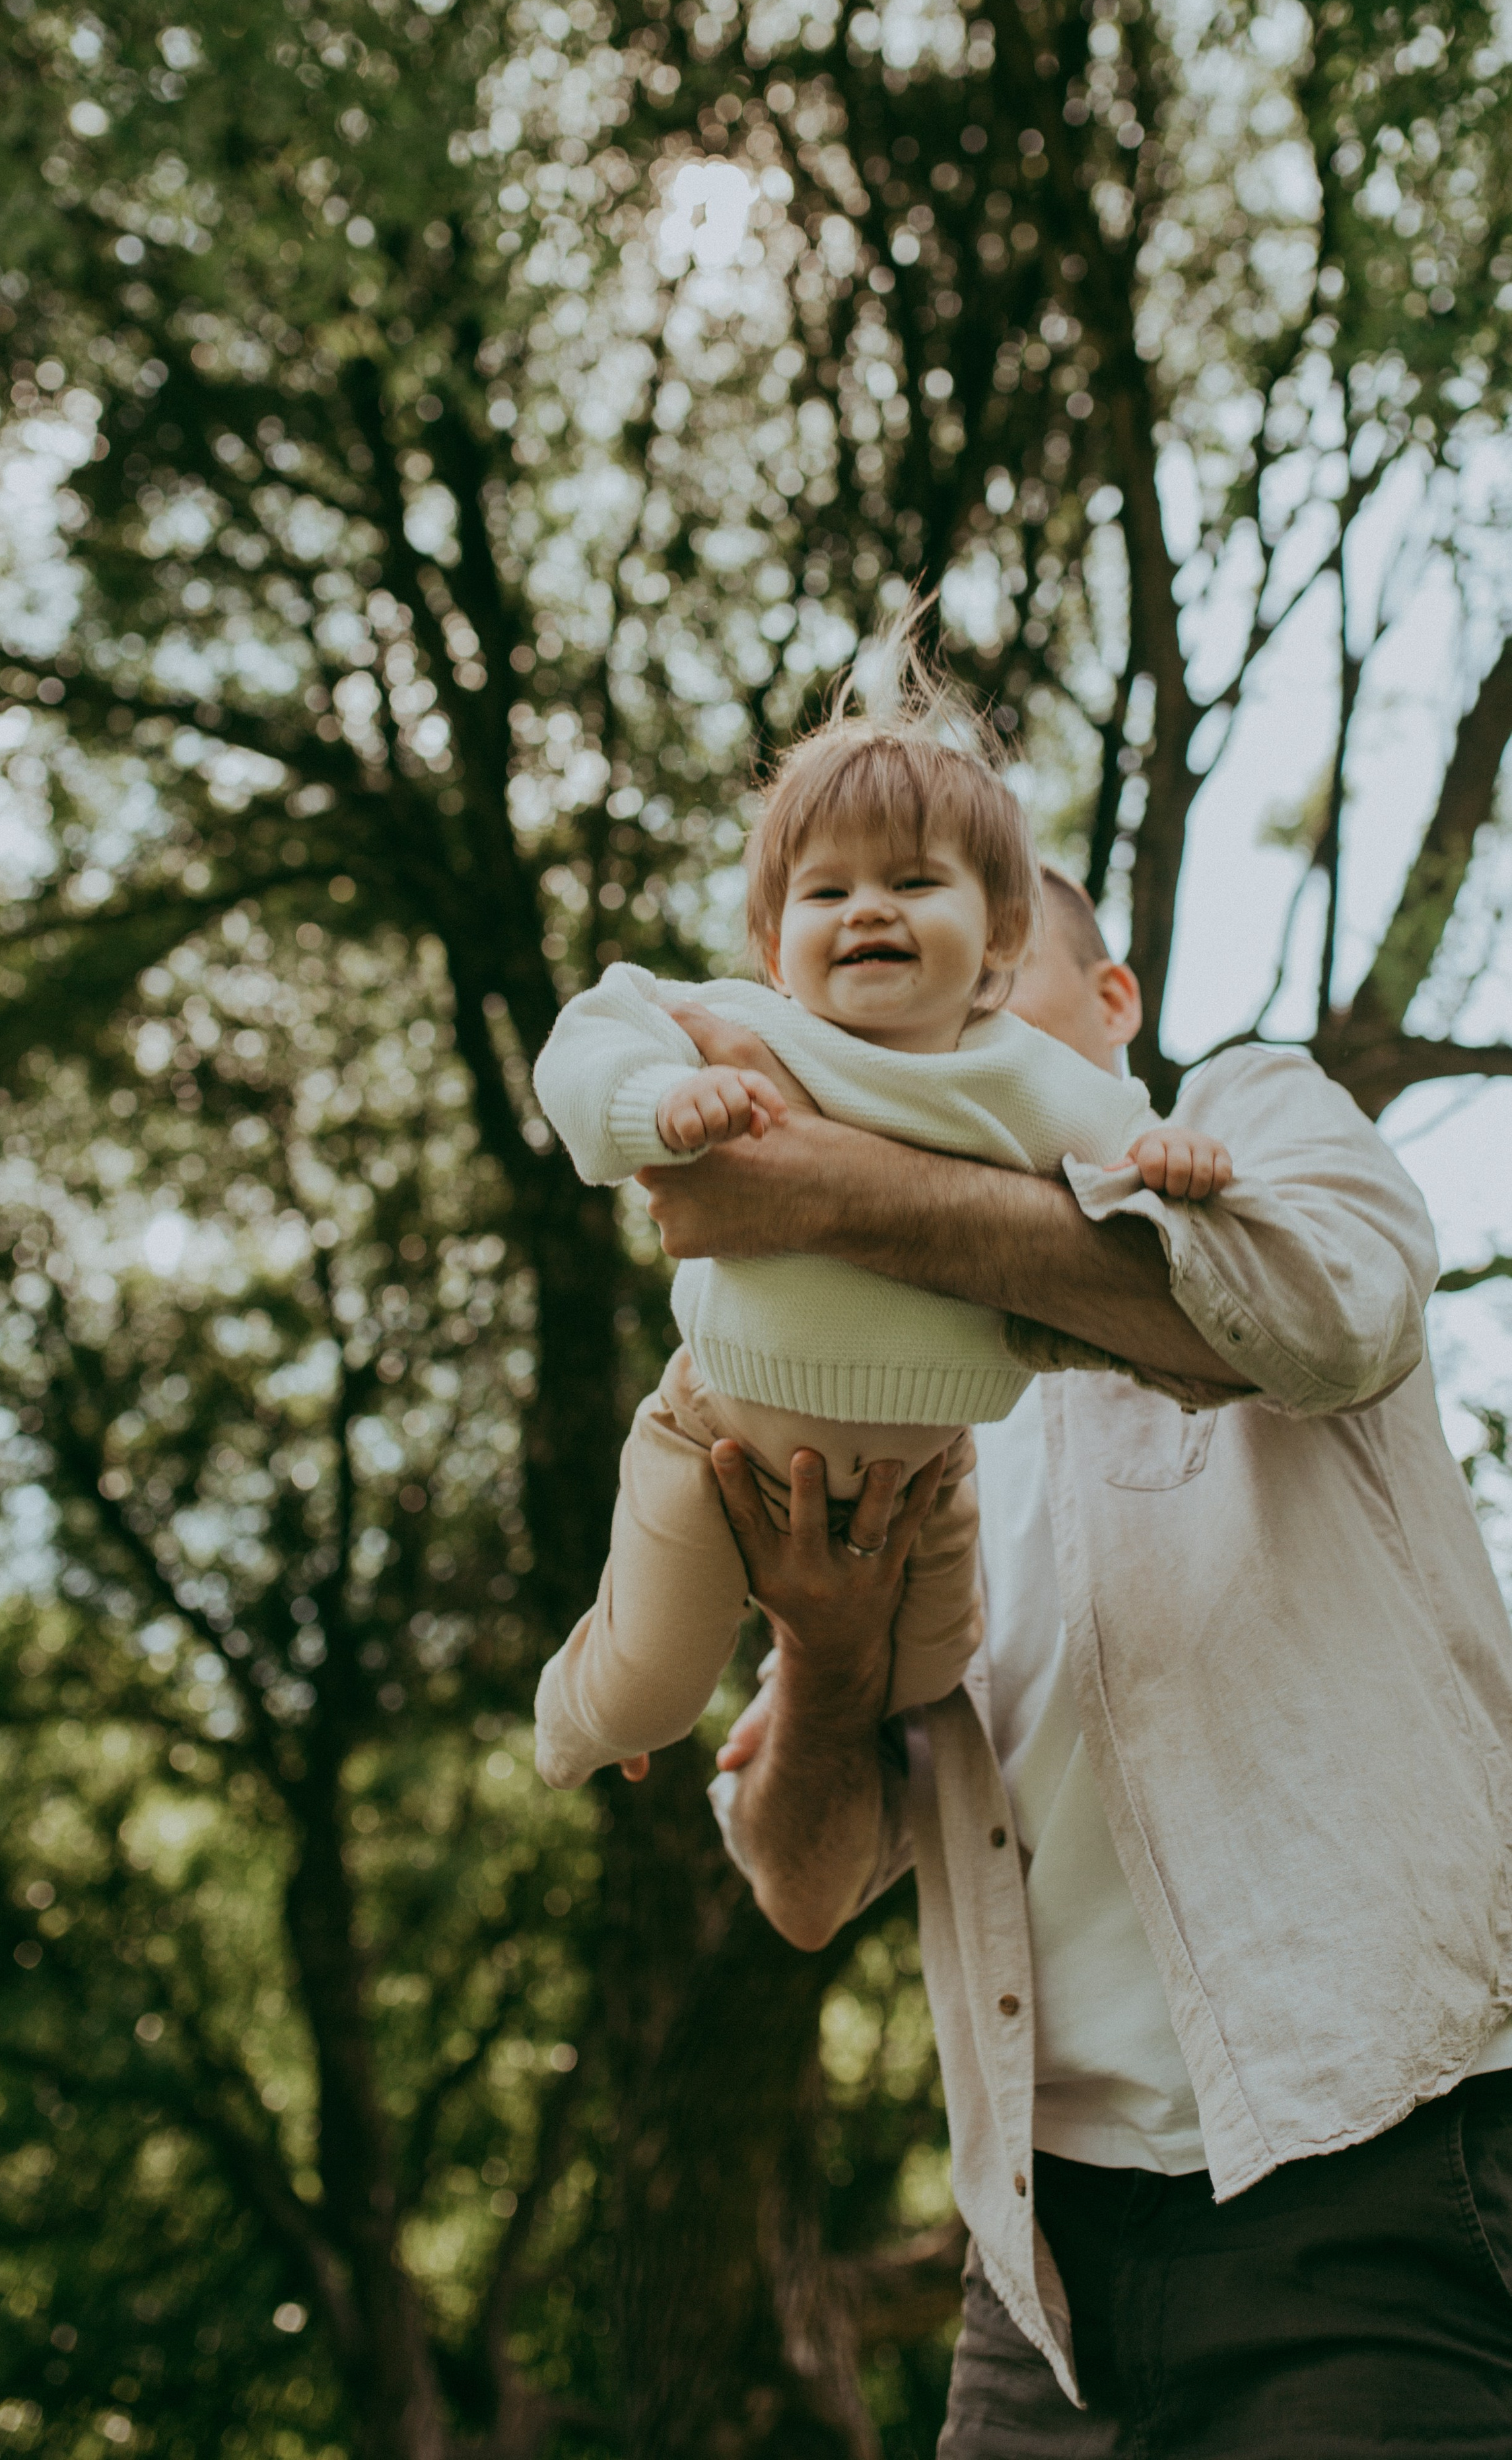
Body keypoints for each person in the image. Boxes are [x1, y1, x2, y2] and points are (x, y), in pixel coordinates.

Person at [642, 874, 1512, 2455]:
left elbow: (1330, 1320)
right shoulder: (872, 1396)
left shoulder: (1257, 1117)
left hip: (1386, 2168)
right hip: (1042, 2286)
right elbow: (803, 1878)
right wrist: (827, 1663)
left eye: (985, 974)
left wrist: (827, 1190)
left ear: (1110, 1006)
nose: (919, 1030)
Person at [528, 640, 1228, 1792]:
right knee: (650, 1685)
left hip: (928, 1470)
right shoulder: (747, 1026)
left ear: (1000, 936)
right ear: (774, 945)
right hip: (717, 1434)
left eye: (913, 883)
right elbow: (592, 1033)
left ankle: (774, 1703)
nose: (868, 912)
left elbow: (1126, 1144)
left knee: (926, 1682)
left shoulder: (1020, 1075)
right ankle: (570, 1715)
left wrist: (1168, 1154)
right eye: (828, 891)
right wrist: (661, 1100)